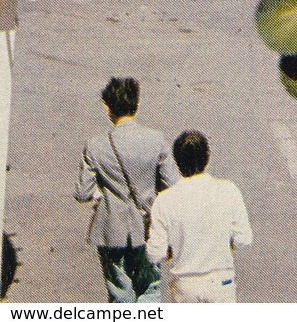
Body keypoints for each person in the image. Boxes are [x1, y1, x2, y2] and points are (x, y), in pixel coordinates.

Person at [75, 77, 180, 303]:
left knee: (119, 293)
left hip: (111, 229)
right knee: (150, 288)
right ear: (137, 105)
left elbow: (83, 192)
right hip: (149, 227)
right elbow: (173, 186)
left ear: (107, 106)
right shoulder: (156, 140)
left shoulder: (95, 145)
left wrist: (102, 194)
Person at [147, 131, 252, 303]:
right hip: (221, 284)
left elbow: (155, 254)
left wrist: (177, 248)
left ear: (177, 162)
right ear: (207, 157)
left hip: (185, 287)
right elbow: (243, 239)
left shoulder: (164, 200)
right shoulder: (228, 190)